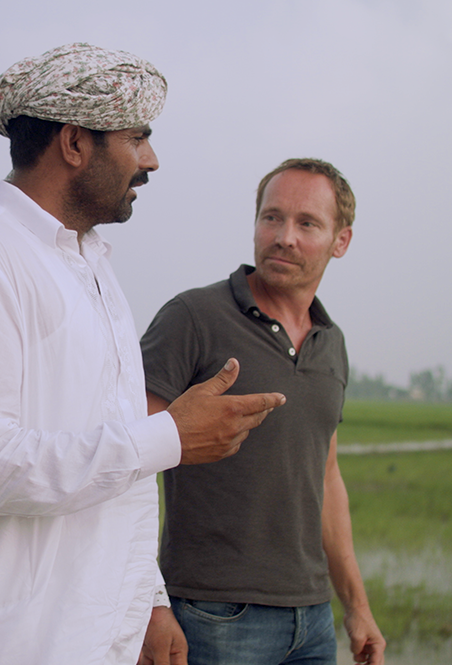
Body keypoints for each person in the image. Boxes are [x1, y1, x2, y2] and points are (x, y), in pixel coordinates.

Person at [0, 44, 285, 665]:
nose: (152, 161)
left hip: (93, 635)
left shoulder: (93, 270)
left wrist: (148, 605)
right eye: (138, 138)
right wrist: (168, 437)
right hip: (8, 645)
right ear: (75, 144)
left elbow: (117, 469)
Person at [140, 158, 386, 665]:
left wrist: (356, 607)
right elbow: (126, 463)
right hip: (212, 615)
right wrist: (146, 603)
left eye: (307, 224)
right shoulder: (193, 318)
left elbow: (326, 474)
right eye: (272, 217)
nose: (284, 237)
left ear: (341, 241)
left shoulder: (331, 343)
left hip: (313, 619)